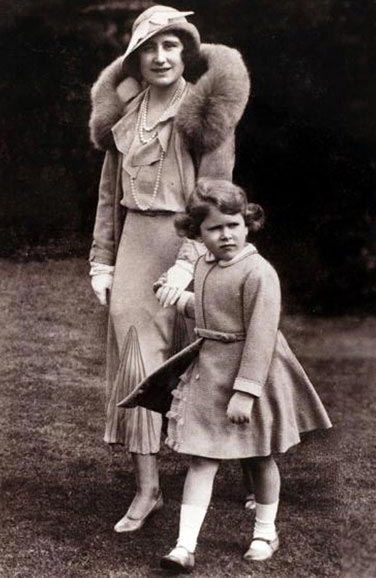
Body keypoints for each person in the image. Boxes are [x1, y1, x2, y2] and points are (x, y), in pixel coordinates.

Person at [88, 5, 250, 532]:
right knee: (139, 364)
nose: (160, 57)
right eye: (149, 48)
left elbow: (216, 200)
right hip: (136, 247)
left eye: (171, 46)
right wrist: (102, 259)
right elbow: (109, 197)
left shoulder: (205, 118)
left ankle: (252, 467)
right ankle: (148, 490)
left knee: (217, 359)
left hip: (199, 250)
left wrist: (188, 265)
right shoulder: (125, 117)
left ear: (186, 52)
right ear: (135, 58)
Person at [156, 179, 332, 573]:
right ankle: (184, 546)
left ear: (247, 222)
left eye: (233, 224)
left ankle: (265, 532)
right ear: (196, 234)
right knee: (202, 457)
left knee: (259, 457)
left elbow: (260, 335)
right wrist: (180, 299)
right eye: (214, 228)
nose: (226, 235)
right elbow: (211, 311)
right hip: (211, 369)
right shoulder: (203, 265)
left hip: (254, 372)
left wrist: (246, 392)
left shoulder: (258, 273)